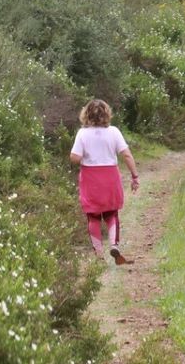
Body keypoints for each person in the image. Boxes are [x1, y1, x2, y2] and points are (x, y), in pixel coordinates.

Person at [69, 99, 139, 265]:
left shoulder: (82, 133)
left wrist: (81, 156)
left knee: (93, 216)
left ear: (86, 114)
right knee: (111, 214)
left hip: (90, 178)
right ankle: (114, 245)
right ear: (107, 113)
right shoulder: (114, 132)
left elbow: (75, 157)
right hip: (110, 177)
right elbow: (127, 155)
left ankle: (99, 254)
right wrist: (135, 176)